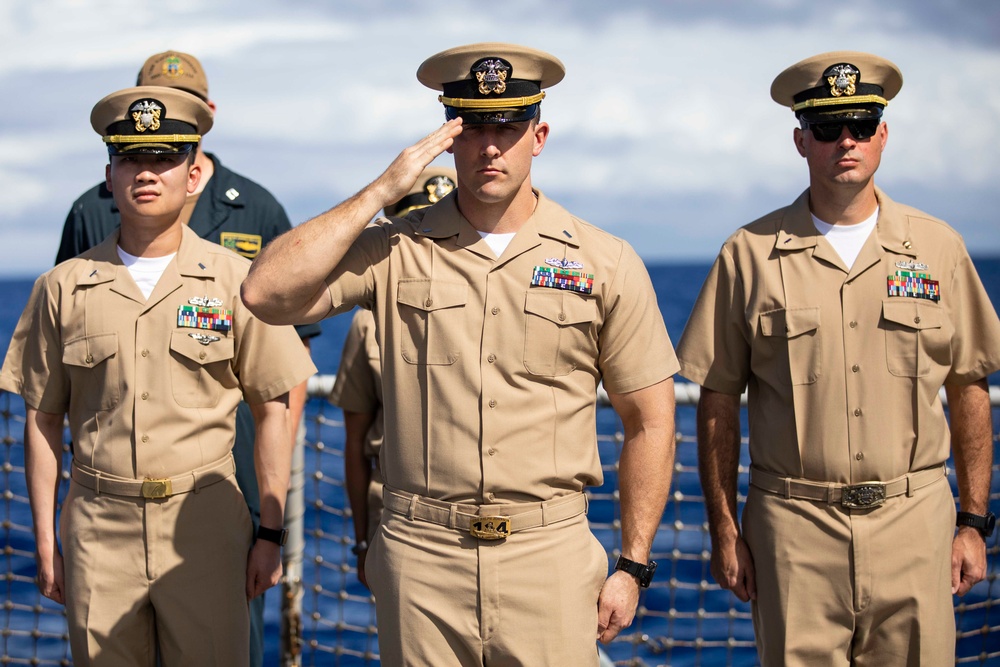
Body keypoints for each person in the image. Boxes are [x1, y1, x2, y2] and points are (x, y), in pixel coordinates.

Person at [242, 43, 679, 666]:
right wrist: (378, 191)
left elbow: (652, 420)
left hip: (549, 559)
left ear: (541, 134)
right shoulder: (395, 250)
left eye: (508, 126)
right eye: (473, 126)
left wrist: (633, 564)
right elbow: (265, 292)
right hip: (421, 559)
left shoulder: (604, 261)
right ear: (450, 136)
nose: (490, 145)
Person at [677, 51, 1000, 665]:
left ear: (883, 134)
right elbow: (717, 402)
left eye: (859, 124)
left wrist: (973, 523)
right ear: (801, 140)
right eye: (827, 128)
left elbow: (969, 388)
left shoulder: (939, 248)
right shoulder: (746, 255)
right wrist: (724, 529)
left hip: (916, 528)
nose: (844, 141)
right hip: (794, 535)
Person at [0, 85, 316, 665]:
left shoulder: (238, 283)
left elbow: (275, 406)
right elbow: (42, 421)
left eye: (165, 158)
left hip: (205, 529)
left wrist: (269, 534)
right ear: (109, 174)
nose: (147, 173)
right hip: (97, 530)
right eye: (130, 158)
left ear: (193, 176)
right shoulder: (62, 288)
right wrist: (46, 537)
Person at [329, 166, 457, 590]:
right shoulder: (369, 324)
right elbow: (355, 443)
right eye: (420, 224)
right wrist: (362, 542)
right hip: (396, 517)